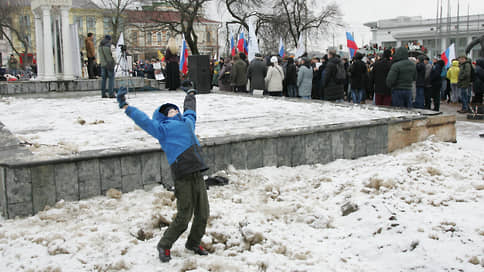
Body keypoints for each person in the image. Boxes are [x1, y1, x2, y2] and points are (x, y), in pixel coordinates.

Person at [116, 87, 209, 263]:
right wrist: (126, 106)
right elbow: (143, 120)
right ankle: (164, 245)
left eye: (174, 109)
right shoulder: (161, 129)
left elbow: (190, 109)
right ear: (164, 116)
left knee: (203, 214)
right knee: (184, 216)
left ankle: (193, 243)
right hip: (182, 175)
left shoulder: (188, 121)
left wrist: (190, 94)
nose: (174, 111)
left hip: (197, 172)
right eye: (169, 111)